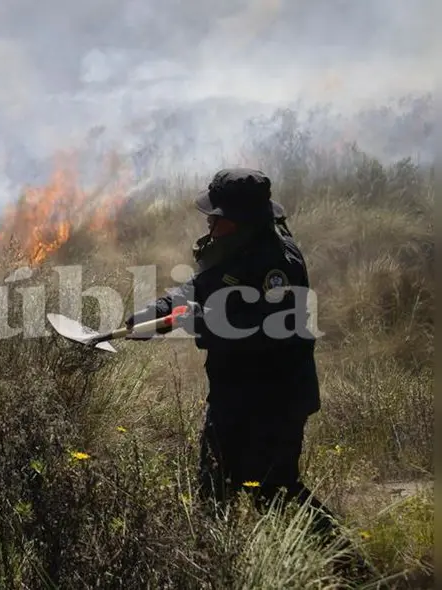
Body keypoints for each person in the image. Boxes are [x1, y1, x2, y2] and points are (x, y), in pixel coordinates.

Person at [125, 168, 368, 569]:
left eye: (215, 217)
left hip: (274, 399)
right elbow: (196, 288)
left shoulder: (277, 266)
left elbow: (256, 327)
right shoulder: (236, 246)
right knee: (213, 488)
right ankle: (216, 569)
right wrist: (158, 311)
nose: (209, 223)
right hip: (233, 395)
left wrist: (193, 320)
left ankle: (352, 568)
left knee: (274, 493)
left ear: (238, 220)